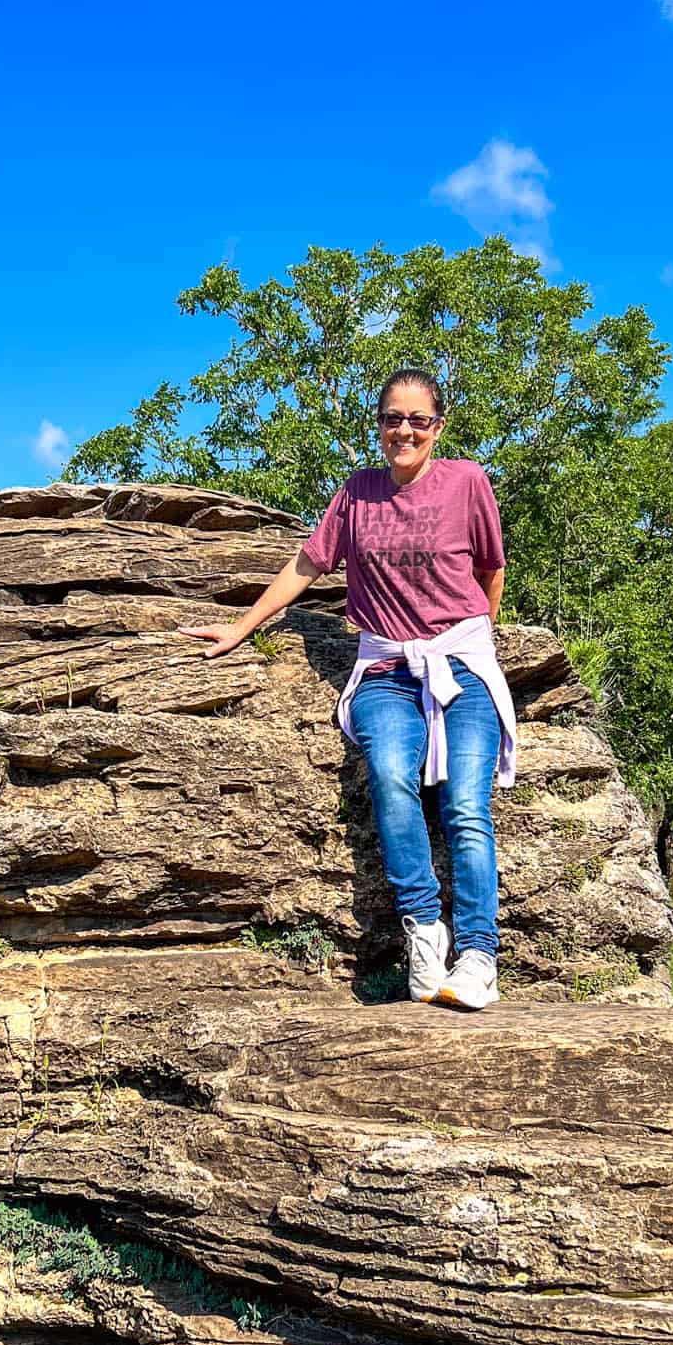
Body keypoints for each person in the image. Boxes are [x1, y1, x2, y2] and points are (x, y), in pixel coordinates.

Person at [177, 367, 517, 1011]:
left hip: (461, 665)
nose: (405, 430)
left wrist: (475, 644)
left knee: (466, 807)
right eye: (393, 418)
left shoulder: (467, 481)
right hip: (385, 670)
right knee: (391, 775)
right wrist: (241, 626)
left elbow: (490, 570)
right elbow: (306, 565)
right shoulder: (356, 494)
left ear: (438, 426)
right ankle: (424, 932)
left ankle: (477, 956)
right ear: (379, 425)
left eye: (419, 419)